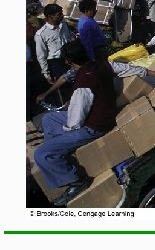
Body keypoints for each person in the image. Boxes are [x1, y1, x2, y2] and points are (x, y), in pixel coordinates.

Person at [34, 40, 116, 207]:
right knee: (48, 119)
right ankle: (59, 151)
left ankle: (76, 181)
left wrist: (67, 130)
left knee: (42, 154)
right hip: (95, 117)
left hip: (92, 127)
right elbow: (127, 68)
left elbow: (75, 122)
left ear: (68, 61)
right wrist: (153, 73)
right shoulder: (101, 65)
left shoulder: (83, 84)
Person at [34, 4, 75, 88]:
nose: (62, 16)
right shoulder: (41, 34)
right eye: (59, 14)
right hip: (56, 64)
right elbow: (41, 56)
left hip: (68, 59)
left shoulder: (63, 25)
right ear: (50, 16)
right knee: (62, 87)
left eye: (62, 13)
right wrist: (46, 74)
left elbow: (69, 39)